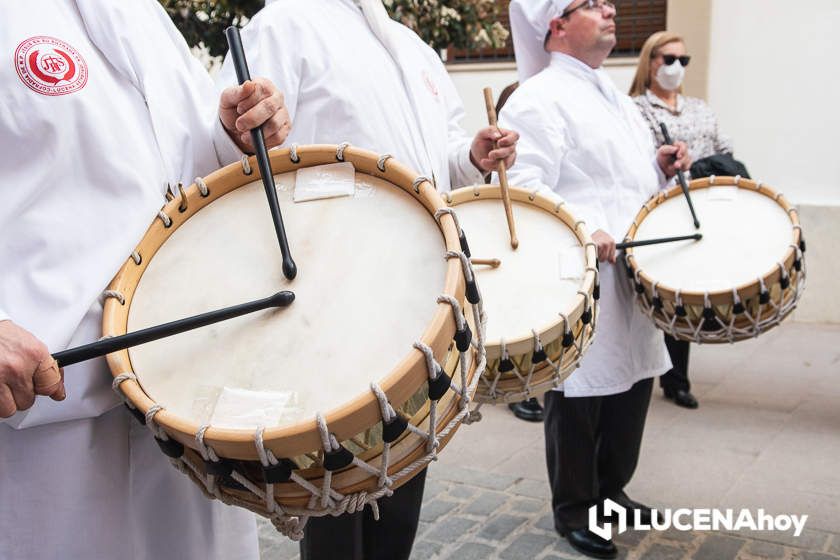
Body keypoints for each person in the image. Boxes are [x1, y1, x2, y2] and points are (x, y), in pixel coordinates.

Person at [216, 1, 518, 558]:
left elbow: (438, 155)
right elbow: (239, 155)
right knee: (337, 481)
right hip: (335, 298)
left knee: (402, 473)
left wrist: (470, 155)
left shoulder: (414, 46)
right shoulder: (286, 23)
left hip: (418, 291)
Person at [0, 2, 291, 558]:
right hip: (47, 421)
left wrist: (230, 135)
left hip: (181, 403)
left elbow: (171, 171)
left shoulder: (144, 14)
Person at [501, 1, 691, 557]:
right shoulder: (537, 97)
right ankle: (575, 509)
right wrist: (585, 226)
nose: (609, 9)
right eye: (591, 4)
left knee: (632, 386)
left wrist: (661, 164)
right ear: (556, 26)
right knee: (580, 395)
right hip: (581, 273)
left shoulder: (614, 97)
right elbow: (528, 186)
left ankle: (611, 491)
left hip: (632, 272)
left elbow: (619, 173)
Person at [629, 31, 737, 409]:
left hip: (701, 206)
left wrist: (701, 166)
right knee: (660, 290)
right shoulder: (636, 109)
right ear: (650, 62)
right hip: (658, 209)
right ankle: (642, 366)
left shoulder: (699, 109)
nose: (676, 67)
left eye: (683, 60)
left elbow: (727, 153)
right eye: (668, 58)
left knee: (686, 290)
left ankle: (677, 378)